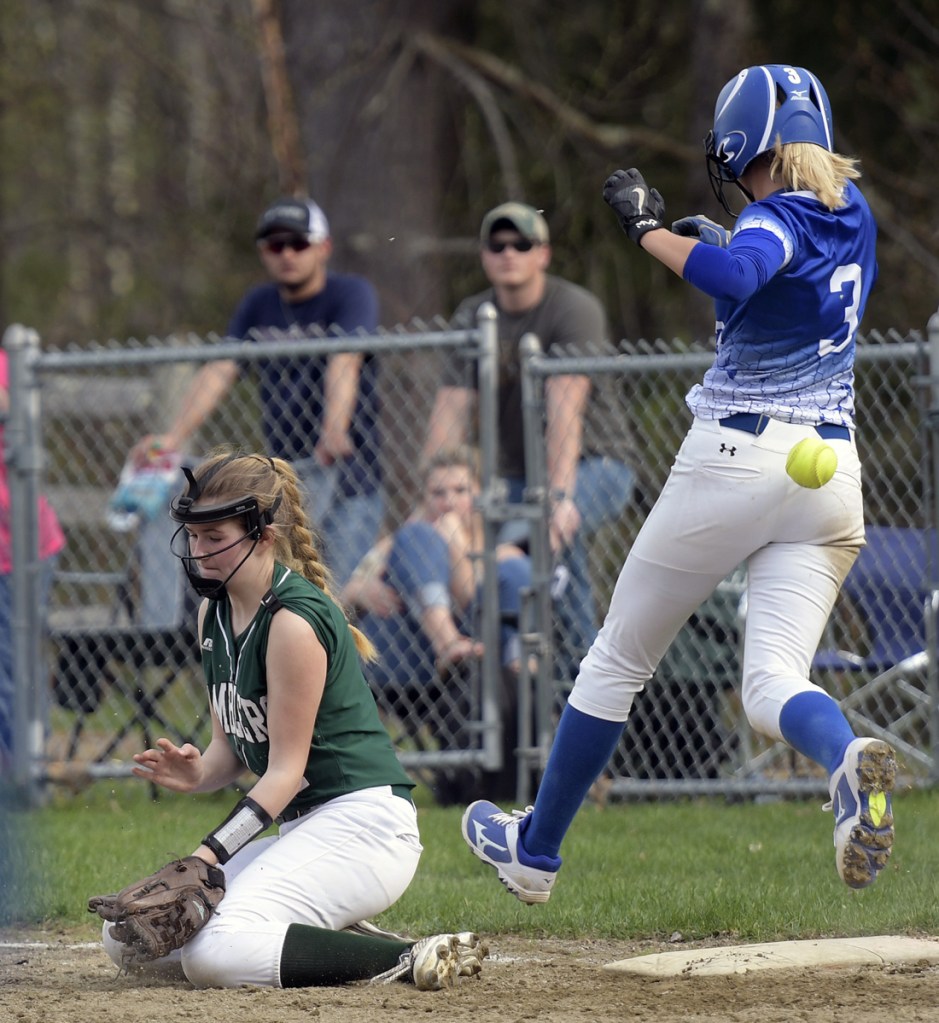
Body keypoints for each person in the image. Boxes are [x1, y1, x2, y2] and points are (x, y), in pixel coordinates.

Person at [461, 64, 895, 902]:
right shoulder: (855, 212)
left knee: (617, 656)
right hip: (831, 472)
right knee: (772, 680)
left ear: (740, 144)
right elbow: (775, 280)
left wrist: (648, 231)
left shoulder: (774, 213)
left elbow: (740, 275)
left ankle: (533, 851)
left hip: (739, 457)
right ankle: (844, 760)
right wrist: (717, 242)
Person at [96, 450, 485, 989]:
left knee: (213, 956)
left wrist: (206, 857)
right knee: (129, 941)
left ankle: (406, 957)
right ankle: (345, 938)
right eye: (193, 534)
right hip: (309, 829)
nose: (198, 551)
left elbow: (285, 773)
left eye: (215, 537)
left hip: (365, 830)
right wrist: (198, 773)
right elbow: (230, 749)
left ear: (263, 535)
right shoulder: (216, 610)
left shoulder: (292, 622)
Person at [422, 202, 637, 677]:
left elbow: (565, 411)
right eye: (497, 245)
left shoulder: (573, 308)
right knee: (457, 540)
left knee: (557, 531)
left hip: (596, 464)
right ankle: (506, 676)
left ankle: (580, 680)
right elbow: (450, 412)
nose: (508, 254)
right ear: (484, 255)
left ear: (543, 254)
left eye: (521, 244)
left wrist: (558, 498)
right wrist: (437, 497)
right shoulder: (473, 314)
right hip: (511, 478)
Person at [134, 196, 382, 586]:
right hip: (285, 483)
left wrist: (334, 428)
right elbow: (220, 370)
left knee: (340, 597)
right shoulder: (258, 304)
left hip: (347, 476)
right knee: (288, 593)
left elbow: (344, 360)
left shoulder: (350, 295)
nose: (286, 254)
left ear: (324, 247)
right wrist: (173, 439)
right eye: (274, 245)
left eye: (298, 243)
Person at [343, 446, 534, 803]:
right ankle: (447, 642)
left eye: (461, 491)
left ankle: (457, 649)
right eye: (438, 493)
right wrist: (361, 590)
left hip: (482, 668)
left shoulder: (500, 551)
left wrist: (457, 546)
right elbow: (344, 595)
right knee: (416, 538)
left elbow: (476, 599)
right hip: (408, 669)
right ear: (424, 498)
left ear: (477, 494)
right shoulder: (407, 540)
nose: (449, 502)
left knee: (512, 572)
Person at [0, 349, 66, 767]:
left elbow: (9, 406)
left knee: (13, 664)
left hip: (17, 550)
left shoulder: (7, 363)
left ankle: (24, 770)